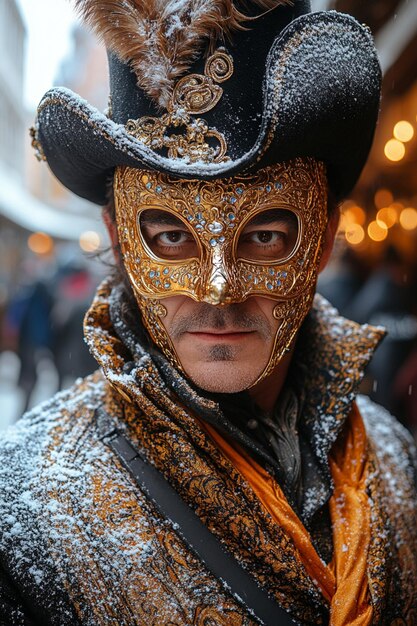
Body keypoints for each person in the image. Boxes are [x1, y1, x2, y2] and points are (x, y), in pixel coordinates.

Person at [1, 1, 416, 624]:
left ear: (324, 235)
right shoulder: (24, 508)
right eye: (170, 236)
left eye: (266, 235)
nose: (219, 292)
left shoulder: (396, 464)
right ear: (119, 239)